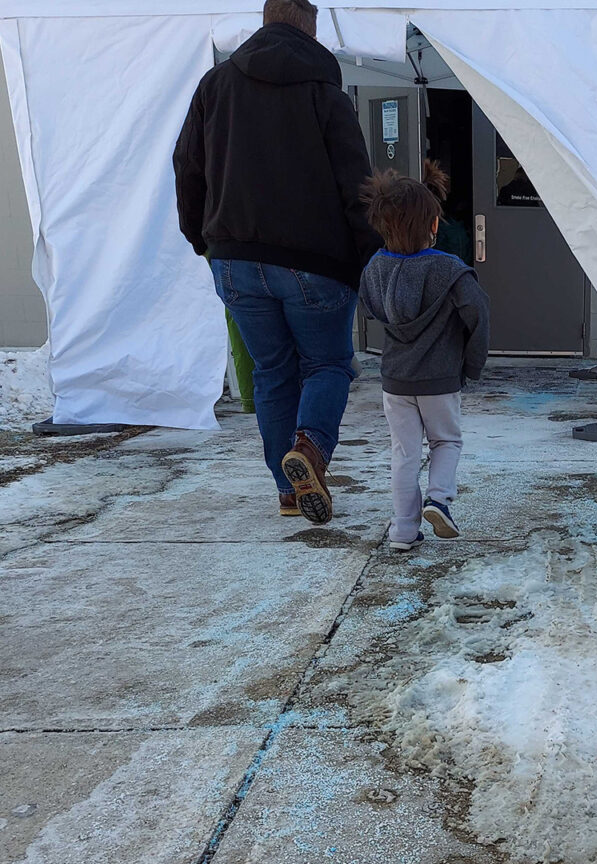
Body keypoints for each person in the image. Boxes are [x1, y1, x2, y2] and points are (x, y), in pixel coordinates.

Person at [173, 0, 378, 524]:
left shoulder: (213, 86)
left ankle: (288, 492)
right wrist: (369, 257)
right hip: (316, 262)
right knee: (328, 364)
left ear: (265, 23)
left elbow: (187, 166)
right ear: (310, 29)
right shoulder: (324, 92)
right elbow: (356, 183)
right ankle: (308, 451)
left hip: (234, 259)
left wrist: (204, 239)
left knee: (272, 372)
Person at [359, 162, 490, 551]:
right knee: (446, 442)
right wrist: (472, 363)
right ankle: (439, 500)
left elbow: (368, 308)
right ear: (433, 225)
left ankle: (402, 531)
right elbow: (478, 314)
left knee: (404, 452)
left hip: (395, 380)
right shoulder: (450, 270)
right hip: (440, 378)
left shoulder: (374, 268)